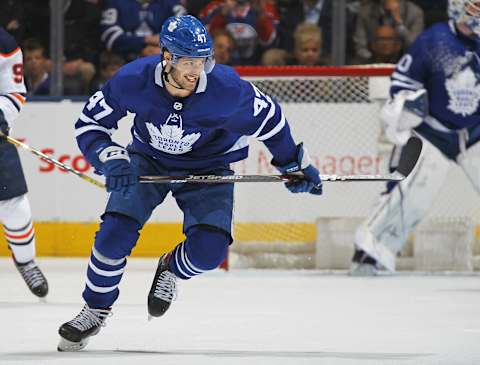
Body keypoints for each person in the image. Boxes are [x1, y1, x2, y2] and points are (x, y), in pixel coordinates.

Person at [57, 14, 322, 351]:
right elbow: (90, 125)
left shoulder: (227, 89)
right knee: (112, 236)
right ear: (167, 57)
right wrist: (110, 156)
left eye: (202, 60)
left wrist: (293, 163)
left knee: (210, 251)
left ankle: (171, 269)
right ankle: (95, 309)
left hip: (210, 167)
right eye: (188, 61)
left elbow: (271, 122)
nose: (196, 70)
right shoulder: (133, 79)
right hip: (147, 160)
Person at [350, 0, 480, 275]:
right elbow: (403, 84)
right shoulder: (434, 40)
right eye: (475, 6)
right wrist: (406, 108)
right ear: (458, 7)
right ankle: (372, 252)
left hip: (475, 132)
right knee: (413, 193)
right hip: (432, 132)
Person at [0, 27, 48, 298]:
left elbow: (14, 92)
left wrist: (0, 114)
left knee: (15, 205)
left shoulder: (4, 43)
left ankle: (26, 260)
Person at [99, 0, 186, 61]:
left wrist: (162, 50)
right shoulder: (115, 3)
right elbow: (110, 38)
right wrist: (144, 41)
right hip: (125, 56)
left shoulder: (172, 3)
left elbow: (184, 35)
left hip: (164, 55)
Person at [354, 0, 424, 64]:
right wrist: (373, 62)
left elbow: (415, 48)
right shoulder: (365, 12)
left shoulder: (415, 13)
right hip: (372, 61)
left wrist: (399, 23)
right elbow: (360, 47)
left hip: (404, 63)